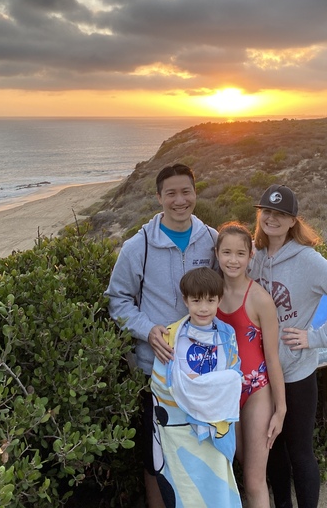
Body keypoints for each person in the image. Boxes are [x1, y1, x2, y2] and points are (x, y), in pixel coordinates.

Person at [105, 163, 218, 508]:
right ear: (159, 197)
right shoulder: (138, 246)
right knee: (155, 453)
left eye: (186, 191)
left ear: (195, 193)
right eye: (171, 193)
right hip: (154, 368)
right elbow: (117, 300)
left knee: (203, 444)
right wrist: (147, 329)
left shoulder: (212, 240)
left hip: (203, 367)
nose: (179, 200)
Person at [248, 185, 327, 508]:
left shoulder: (308, 260)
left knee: (300, 452)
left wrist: (316, 337)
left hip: (297, 372)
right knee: (273, 449)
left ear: (292, 221)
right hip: (262, 373)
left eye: (280, 214)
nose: (272, 218)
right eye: (267, 212)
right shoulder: (255, 258)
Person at [150, 267, 243, 507]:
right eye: (196, 300)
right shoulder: (171, 334)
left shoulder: (226, 334)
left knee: (217, 487)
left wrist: (200, 391)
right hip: (180, 430)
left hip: (214, 427)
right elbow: (160, 383)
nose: (203, 308)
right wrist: (199, 393)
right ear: (185, 300)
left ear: (219, 300)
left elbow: (234, 377)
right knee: (187, 491)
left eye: (211, 300)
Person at [215, 222, 286, 508]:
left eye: (240, 253)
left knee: (255, 479)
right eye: (227, 252)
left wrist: (280, 409)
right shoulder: (211, 294)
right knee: (238, 467)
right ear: (216, 253)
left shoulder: (260, 299)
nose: (233, 260)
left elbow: (272, 358)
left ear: (250, 256)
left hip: (256, 391)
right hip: (224, 393)